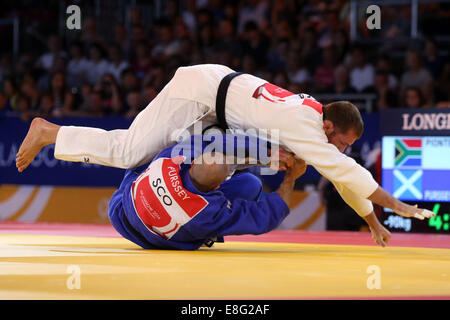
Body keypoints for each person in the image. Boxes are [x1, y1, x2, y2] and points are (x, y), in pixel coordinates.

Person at [16, 64, 435, 247]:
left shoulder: (309, 114)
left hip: (218, 107)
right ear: (329, 128)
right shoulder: (308, 129)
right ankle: (51, 131)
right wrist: (396, 205)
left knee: (265, 157)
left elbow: (344, 176)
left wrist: (372, 221)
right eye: (341, 142)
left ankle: (194, 188)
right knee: (130, 151)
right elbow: (346, 170)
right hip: (198, 94)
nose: (340, 150)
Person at [107, 133, 305, 250]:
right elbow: (266, 216)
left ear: (192, 162)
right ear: (217, 188)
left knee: (141, 164)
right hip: (154, 240)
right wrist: (291, 176)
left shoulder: (169, 158)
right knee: (250, 185)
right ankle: (207, 236)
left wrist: (266, 153)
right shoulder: (208, 213)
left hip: (120, 213)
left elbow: (208, 141)